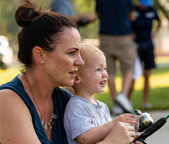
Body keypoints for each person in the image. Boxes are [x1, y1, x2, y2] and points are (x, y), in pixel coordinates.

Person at [0, 0, 143, 144]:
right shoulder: (7, 101)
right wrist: (111, 142)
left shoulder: (67, 101)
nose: (80, 62)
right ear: (40, 55)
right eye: (71, 53)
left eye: (79, 53)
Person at [64, 43, 137, 144]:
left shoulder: (103, 107)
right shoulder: (76, 106)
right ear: (77, 77)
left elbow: (110, 136)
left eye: (105, 69)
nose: (105, 75)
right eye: (98, 69)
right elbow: (85, 137)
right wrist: (113, 124)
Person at [95, 0, 137, 115]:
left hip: (105, 37)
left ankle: (116, 103)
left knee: (109, 72)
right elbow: (132, 16)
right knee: (129, 68)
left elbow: (98, 15)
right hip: (123, 36)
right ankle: (123, 96)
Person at [129, 0, 161, 109]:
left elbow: (159, 21)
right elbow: (126, 21)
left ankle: (145, 102)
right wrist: (130, 33)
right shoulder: (132, 9)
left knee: (147, 75)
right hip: (135, 46)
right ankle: (128, 101)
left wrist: (155, 32)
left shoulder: (151, 10)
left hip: (148, 45)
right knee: (133, 75)